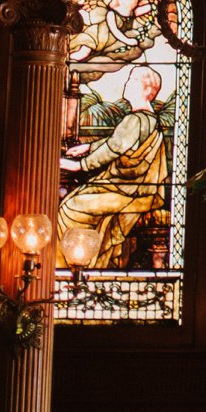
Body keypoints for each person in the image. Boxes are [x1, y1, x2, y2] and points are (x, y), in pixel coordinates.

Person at [57, 65, 169, 270]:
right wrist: (89, 147)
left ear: (147, 91)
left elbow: (112, 150)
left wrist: (77, 166)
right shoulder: (147, 119)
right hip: (134, 188)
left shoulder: (135, 120)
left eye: (133, 81)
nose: (127, 83)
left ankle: (70, 266)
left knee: (70, 208)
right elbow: (117, 142)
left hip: (128, 191)